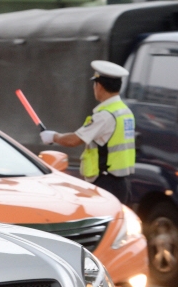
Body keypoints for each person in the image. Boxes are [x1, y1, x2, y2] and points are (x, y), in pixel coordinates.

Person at [39, 60, 135, 204]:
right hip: (122, 183)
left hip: (105, 182)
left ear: (99, 86)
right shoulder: (124, 111)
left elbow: (74, 140)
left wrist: (53, 137)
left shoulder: (105, 115)